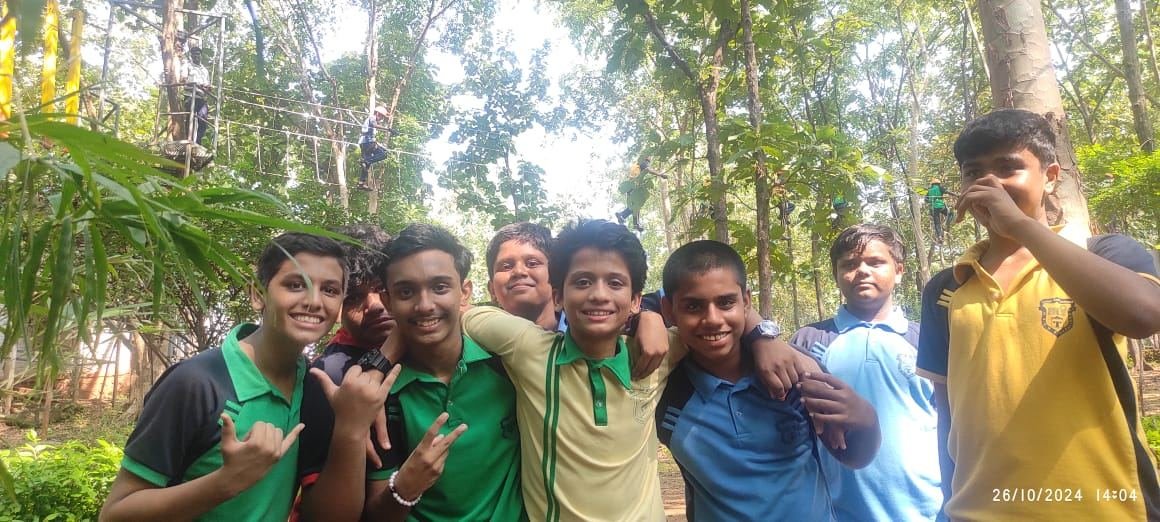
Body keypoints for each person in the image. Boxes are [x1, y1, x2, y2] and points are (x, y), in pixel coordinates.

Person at [454, 219, 813, 520]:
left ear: (635, 299)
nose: (598, 294)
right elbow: (466, 314)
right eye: (582, 282)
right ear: (558, 295)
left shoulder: (657, 352)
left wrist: (764, 336)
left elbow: (716, 312)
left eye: (615, 283)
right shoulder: (528, 349)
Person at [918, 108, 1160, 520]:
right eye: (973, 172)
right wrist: (950, 504)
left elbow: (1143, 316)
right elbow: (949, 414)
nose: (990, 183)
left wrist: (1021, 226)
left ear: (1050, 176)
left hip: (1104, 509)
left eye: (1007, 168)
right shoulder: (948, 286)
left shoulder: (1102, 253)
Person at [100, 233, 350, 521]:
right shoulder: (197, 383)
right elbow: (115, 514)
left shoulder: (312, 386)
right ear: (258, 294)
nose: (314, 301)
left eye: (330, 290)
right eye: (295, 285)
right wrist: (225, 482)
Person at [299, 223, 524, 522]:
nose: (425, 305)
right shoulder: (361, 388)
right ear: (391, 300)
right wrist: (405, 486)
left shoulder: (506, 360)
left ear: (464, 291)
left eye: (440, 287)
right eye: (406, 291)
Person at [656, 239, 880, 520]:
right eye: (693, 306)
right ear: (669, 310)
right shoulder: (664, 389)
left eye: (726, 302)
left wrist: (867, 418)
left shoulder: (795, 370)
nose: (712, 318)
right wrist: (646, 319)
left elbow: (852, 456)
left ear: (746, 302)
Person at [790, 224, 941, 520]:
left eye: (875, 262)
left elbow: (951, 423)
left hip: (929, 509)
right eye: (849, 264)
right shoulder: (808, 341)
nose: (861, 271)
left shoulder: (927, 339)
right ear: (836, 275)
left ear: (899, 271)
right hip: (837, 511)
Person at [485, 222, 558, 330]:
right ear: (492, 290)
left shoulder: (582, 334)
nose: (518, 271)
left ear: (556, 277)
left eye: (532, 263)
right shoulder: (474, 338)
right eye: (506, 266)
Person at [615, 157, 667, 232]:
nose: (651, 158)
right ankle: (628, 219)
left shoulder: (636, 165)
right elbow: (648, 170)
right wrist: (660, 174)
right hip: (635, 187)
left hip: (630, 187)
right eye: (650, 157)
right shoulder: (644, 162)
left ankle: (627, 218)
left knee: (634, 206)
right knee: (637, 205)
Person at [180, 44, 212, 145]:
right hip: (190, 96)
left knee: (203, 120)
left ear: (201, 55)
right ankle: (188, 141)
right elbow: (183, 81)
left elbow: (207, 85)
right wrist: (196, 85)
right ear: (191, 56)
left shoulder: (204, 70)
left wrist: (207, 88)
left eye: (198, 54)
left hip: (201, 98)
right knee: (190, 119)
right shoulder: (187, 66)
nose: (196, 56)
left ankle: (198, 142)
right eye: (194, 54)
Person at [358, 106, 390, 190]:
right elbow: (374, 125)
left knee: (366, 165)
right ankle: (366, 161)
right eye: (382, 116)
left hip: (365, 143)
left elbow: (373, 138)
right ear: (378, 113)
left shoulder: (372, 123)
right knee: (383, 155)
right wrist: (388, 129)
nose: (381, 119)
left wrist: (382, 147)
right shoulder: (372, 118)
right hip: (367, 143)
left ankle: (361, 183)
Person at [926, 179, 951, 243]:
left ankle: (939, 236)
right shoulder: (939, 188)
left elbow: (926, 199)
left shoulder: (929, 190)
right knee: (950, 214)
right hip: (940, 206)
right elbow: (947, 192)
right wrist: (956, 195)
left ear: (932, 184)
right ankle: (946, 225)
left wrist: (931, 199)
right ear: (938, 184)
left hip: (933, 209)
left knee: (937, 223)